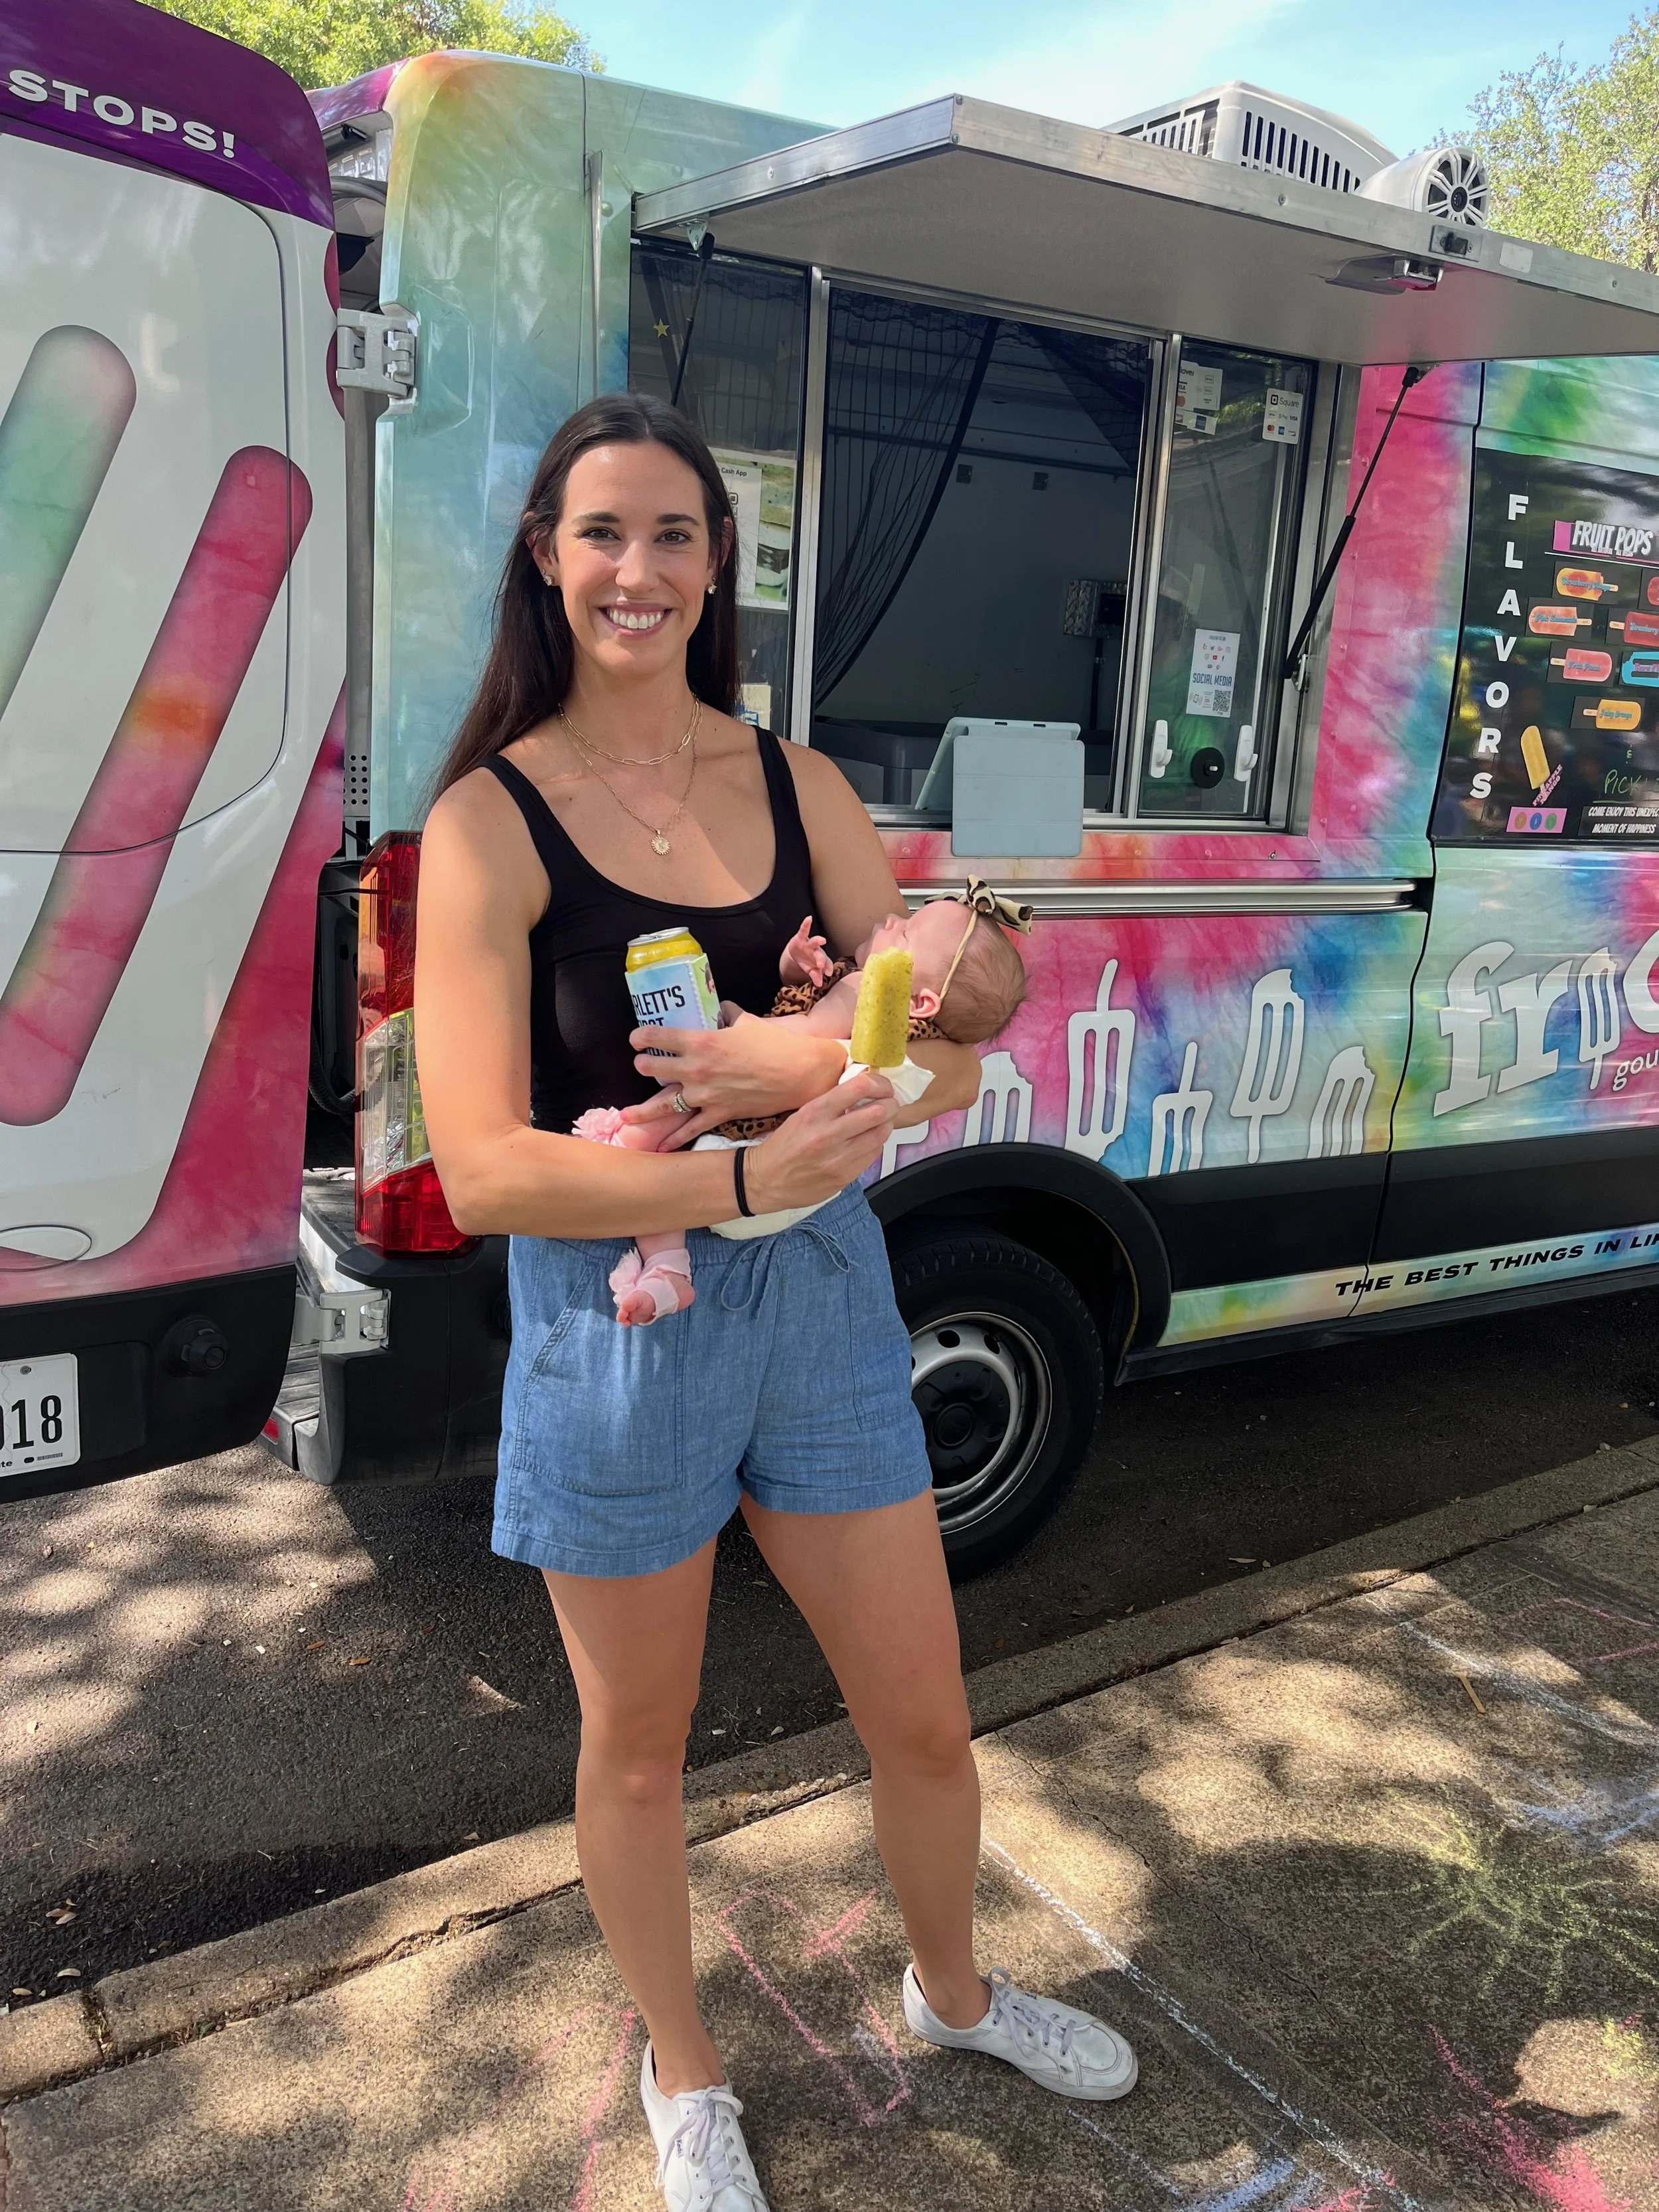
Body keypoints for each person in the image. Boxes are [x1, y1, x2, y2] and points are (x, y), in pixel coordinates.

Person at [415, 392, 1137, 2212]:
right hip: (617, 1315)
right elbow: (486, 1170)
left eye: (673, 534)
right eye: (602, 533)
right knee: (639, 1753)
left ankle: (954, 1989)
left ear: (719, 563)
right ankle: (689, 2075)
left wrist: (812, 1070)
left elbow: (938, 1050)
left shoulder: (798, 786)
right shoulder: (489, 822)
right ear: (545, 558)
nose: (637, 569)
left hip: (820, 1291)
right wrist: (734, 1159)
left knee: (922, 1711)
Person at [575, 890, 1031, 1324]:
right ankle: (667, 1271)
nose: (894, 918)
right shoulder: (863, 984)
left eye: (907, 931)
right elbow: (804, 999)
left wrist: (739, 1023)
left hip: (762, 1113)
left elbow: (803, 1032)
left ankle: (619, 1139)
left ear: (920, 1002)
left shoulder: (862, 993)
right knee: (673, 1155)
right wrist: (796, 965)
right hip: (768, 1124)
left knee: (658, 1126)